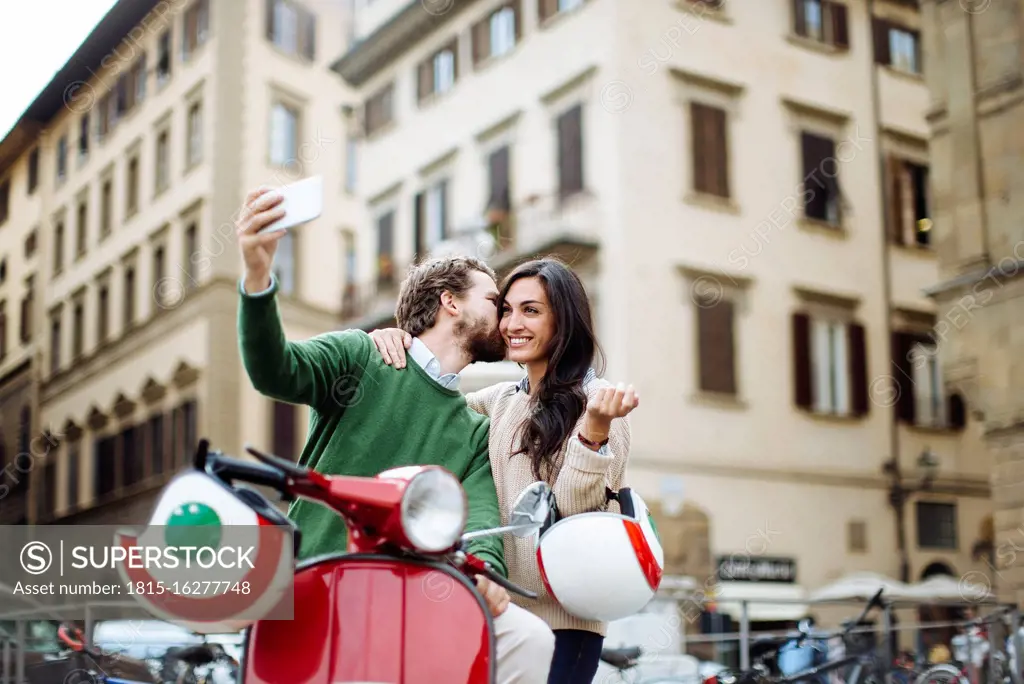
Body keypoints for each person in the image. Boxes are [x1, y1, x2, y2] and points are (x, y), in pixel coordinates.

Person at [234, 186, 555, 684]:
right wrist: (258, 276)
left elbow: (482, 518)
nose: (508, 318)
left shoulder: (474, 431)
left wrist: (487, 575)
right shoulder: (362, 356)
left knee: (531, 639)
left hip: (411, 600)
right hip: (315, 580)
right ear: (450, 302)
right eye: (496, 302)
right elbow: (274, 369)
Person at [369, 257, 639, 684]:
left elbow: (575, 514)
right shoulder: (498, 402)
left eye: (531, 310)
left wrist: (592, 435)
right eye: (507, 310)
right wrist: (397, 340)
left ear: (564, 321)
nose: (513, 323)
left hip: (565, 621)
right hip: (495, 613)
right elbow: (425, 408)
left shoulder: (602, 402)